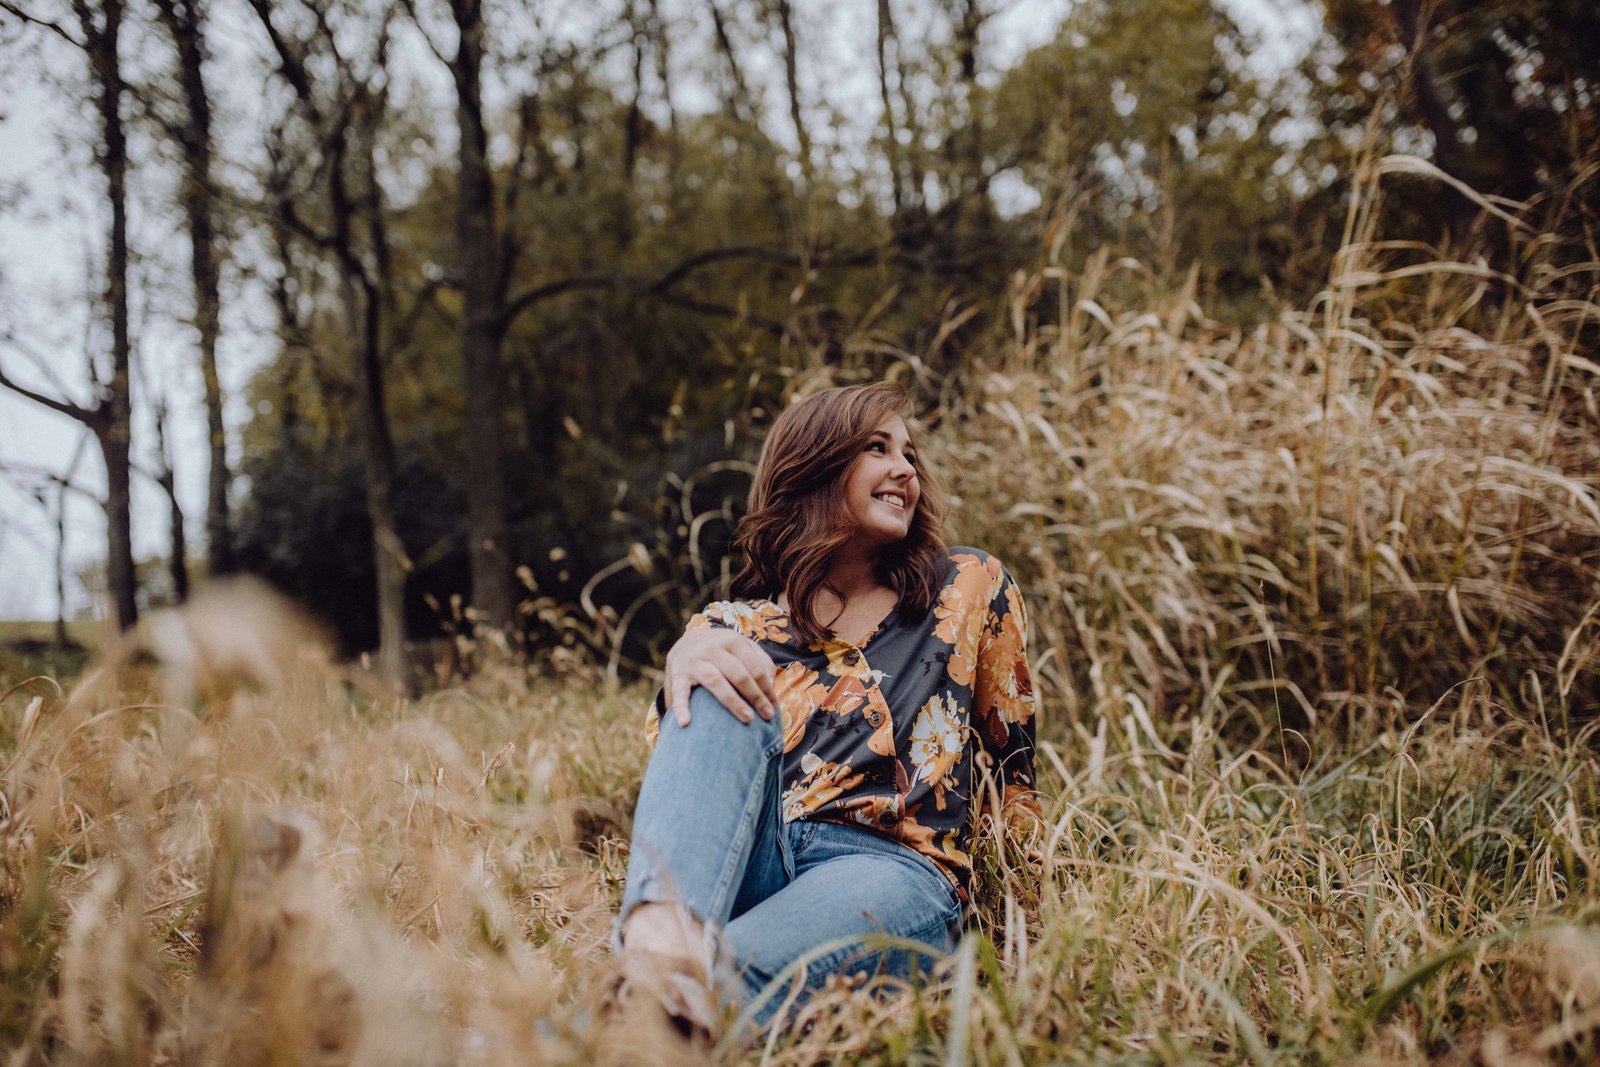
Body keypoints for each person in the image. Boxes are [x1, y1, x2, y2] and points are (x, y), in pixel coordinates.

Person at [614, 381, 1041, 1034]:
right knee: (716, 665)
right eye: (878, 447)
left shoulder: (965, 586)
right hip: (754, 858)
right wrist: (690, 650)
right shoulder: (735, 623)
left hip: (887, 870)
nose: (905, 468)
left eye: (910, 455)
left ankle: (605, 1027)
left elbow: (1016, 769)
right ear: (814, 462)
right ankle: (658, 943)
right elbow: (692, 793)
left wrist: (1028, 927)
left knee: (722, 977)